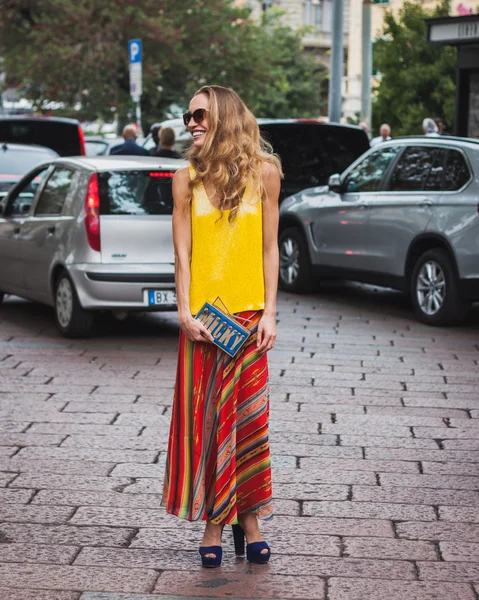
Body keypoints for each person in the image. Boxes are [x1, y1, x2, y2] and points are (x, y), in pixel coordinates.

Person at [162, 85, 282, 568]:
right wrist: (185, 313)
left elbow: (270, 248)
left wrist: (271, 312)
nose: (192, 122)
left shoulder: (266, 176)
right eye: (188, 115)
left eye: (200, 115)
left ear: (226, 118)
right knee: (209, 423)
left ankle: (248, 520)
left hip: (249, 321)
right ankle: (216, 522)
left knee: (251, 423)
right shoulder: (184, 179)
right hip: (205, 324)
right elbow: (182, 254)